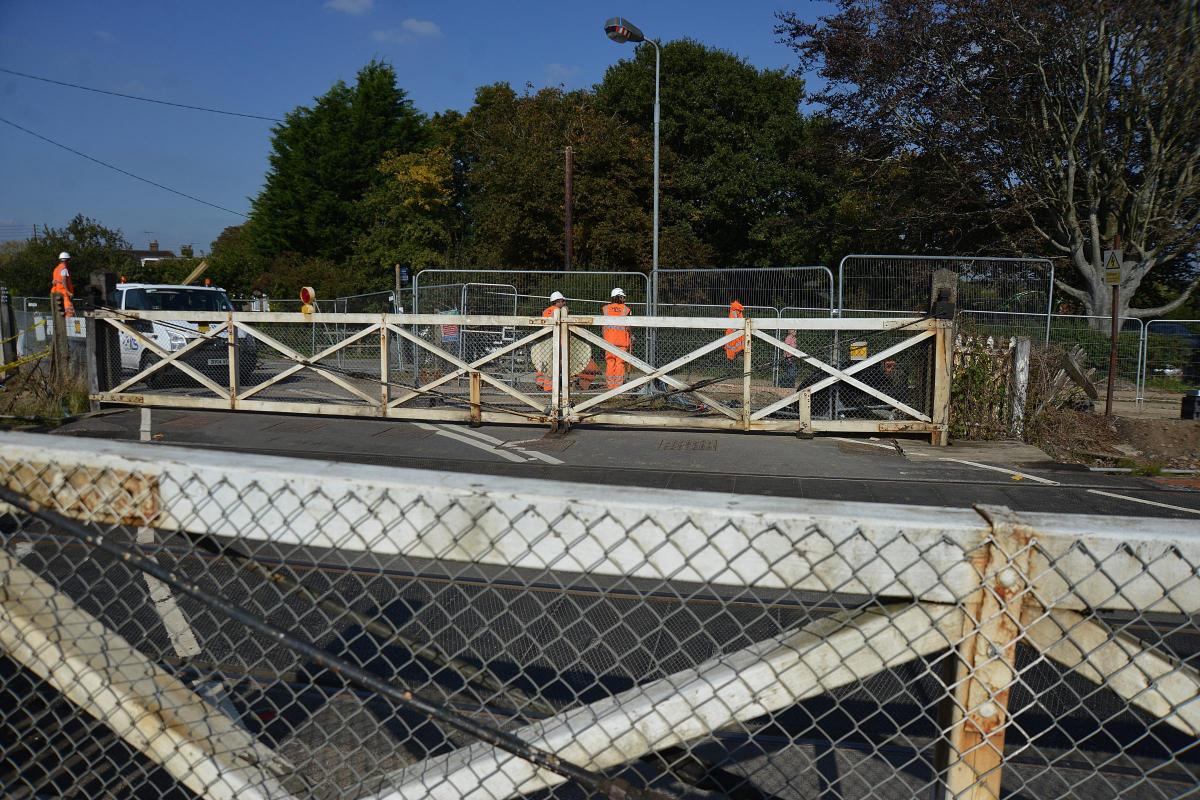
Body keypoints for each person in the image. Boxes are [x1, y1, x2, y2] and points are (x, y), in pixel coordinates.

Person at [601, 288, 633, 389]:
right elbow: (628, 326)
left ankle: (610, 385)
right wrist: (631, 336)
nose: (624, 299)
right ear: (618, 297)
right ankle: (618, 386)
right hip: (622, 341)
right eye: (623, 297)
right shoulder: (626, 309)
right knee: (620, 363)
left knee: (610, 362)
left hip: (609, 341)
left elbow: (603, 326)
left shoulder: (605, 309)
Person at [536, 291, 567, 390]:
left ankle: (540, 382)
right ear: (557, 301)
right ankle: (549, 387)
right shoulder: (560, 311)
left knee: (543, 362)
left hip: (545, 340)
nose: (564, 303)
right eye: (563, 301)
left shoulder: (545, 311)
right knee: (553, 364)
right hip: (556, 340)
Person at [50, 251, 75, 317]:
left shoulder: (56, 269)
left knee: (60, 313)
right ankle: (68, 326)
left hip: (56, 293)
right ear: (66, 260)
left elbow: (53, 282)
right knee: (69, 312)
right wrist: (69, 292)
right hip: (64, 293)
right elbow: (64, 282)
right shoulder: (64, 269)